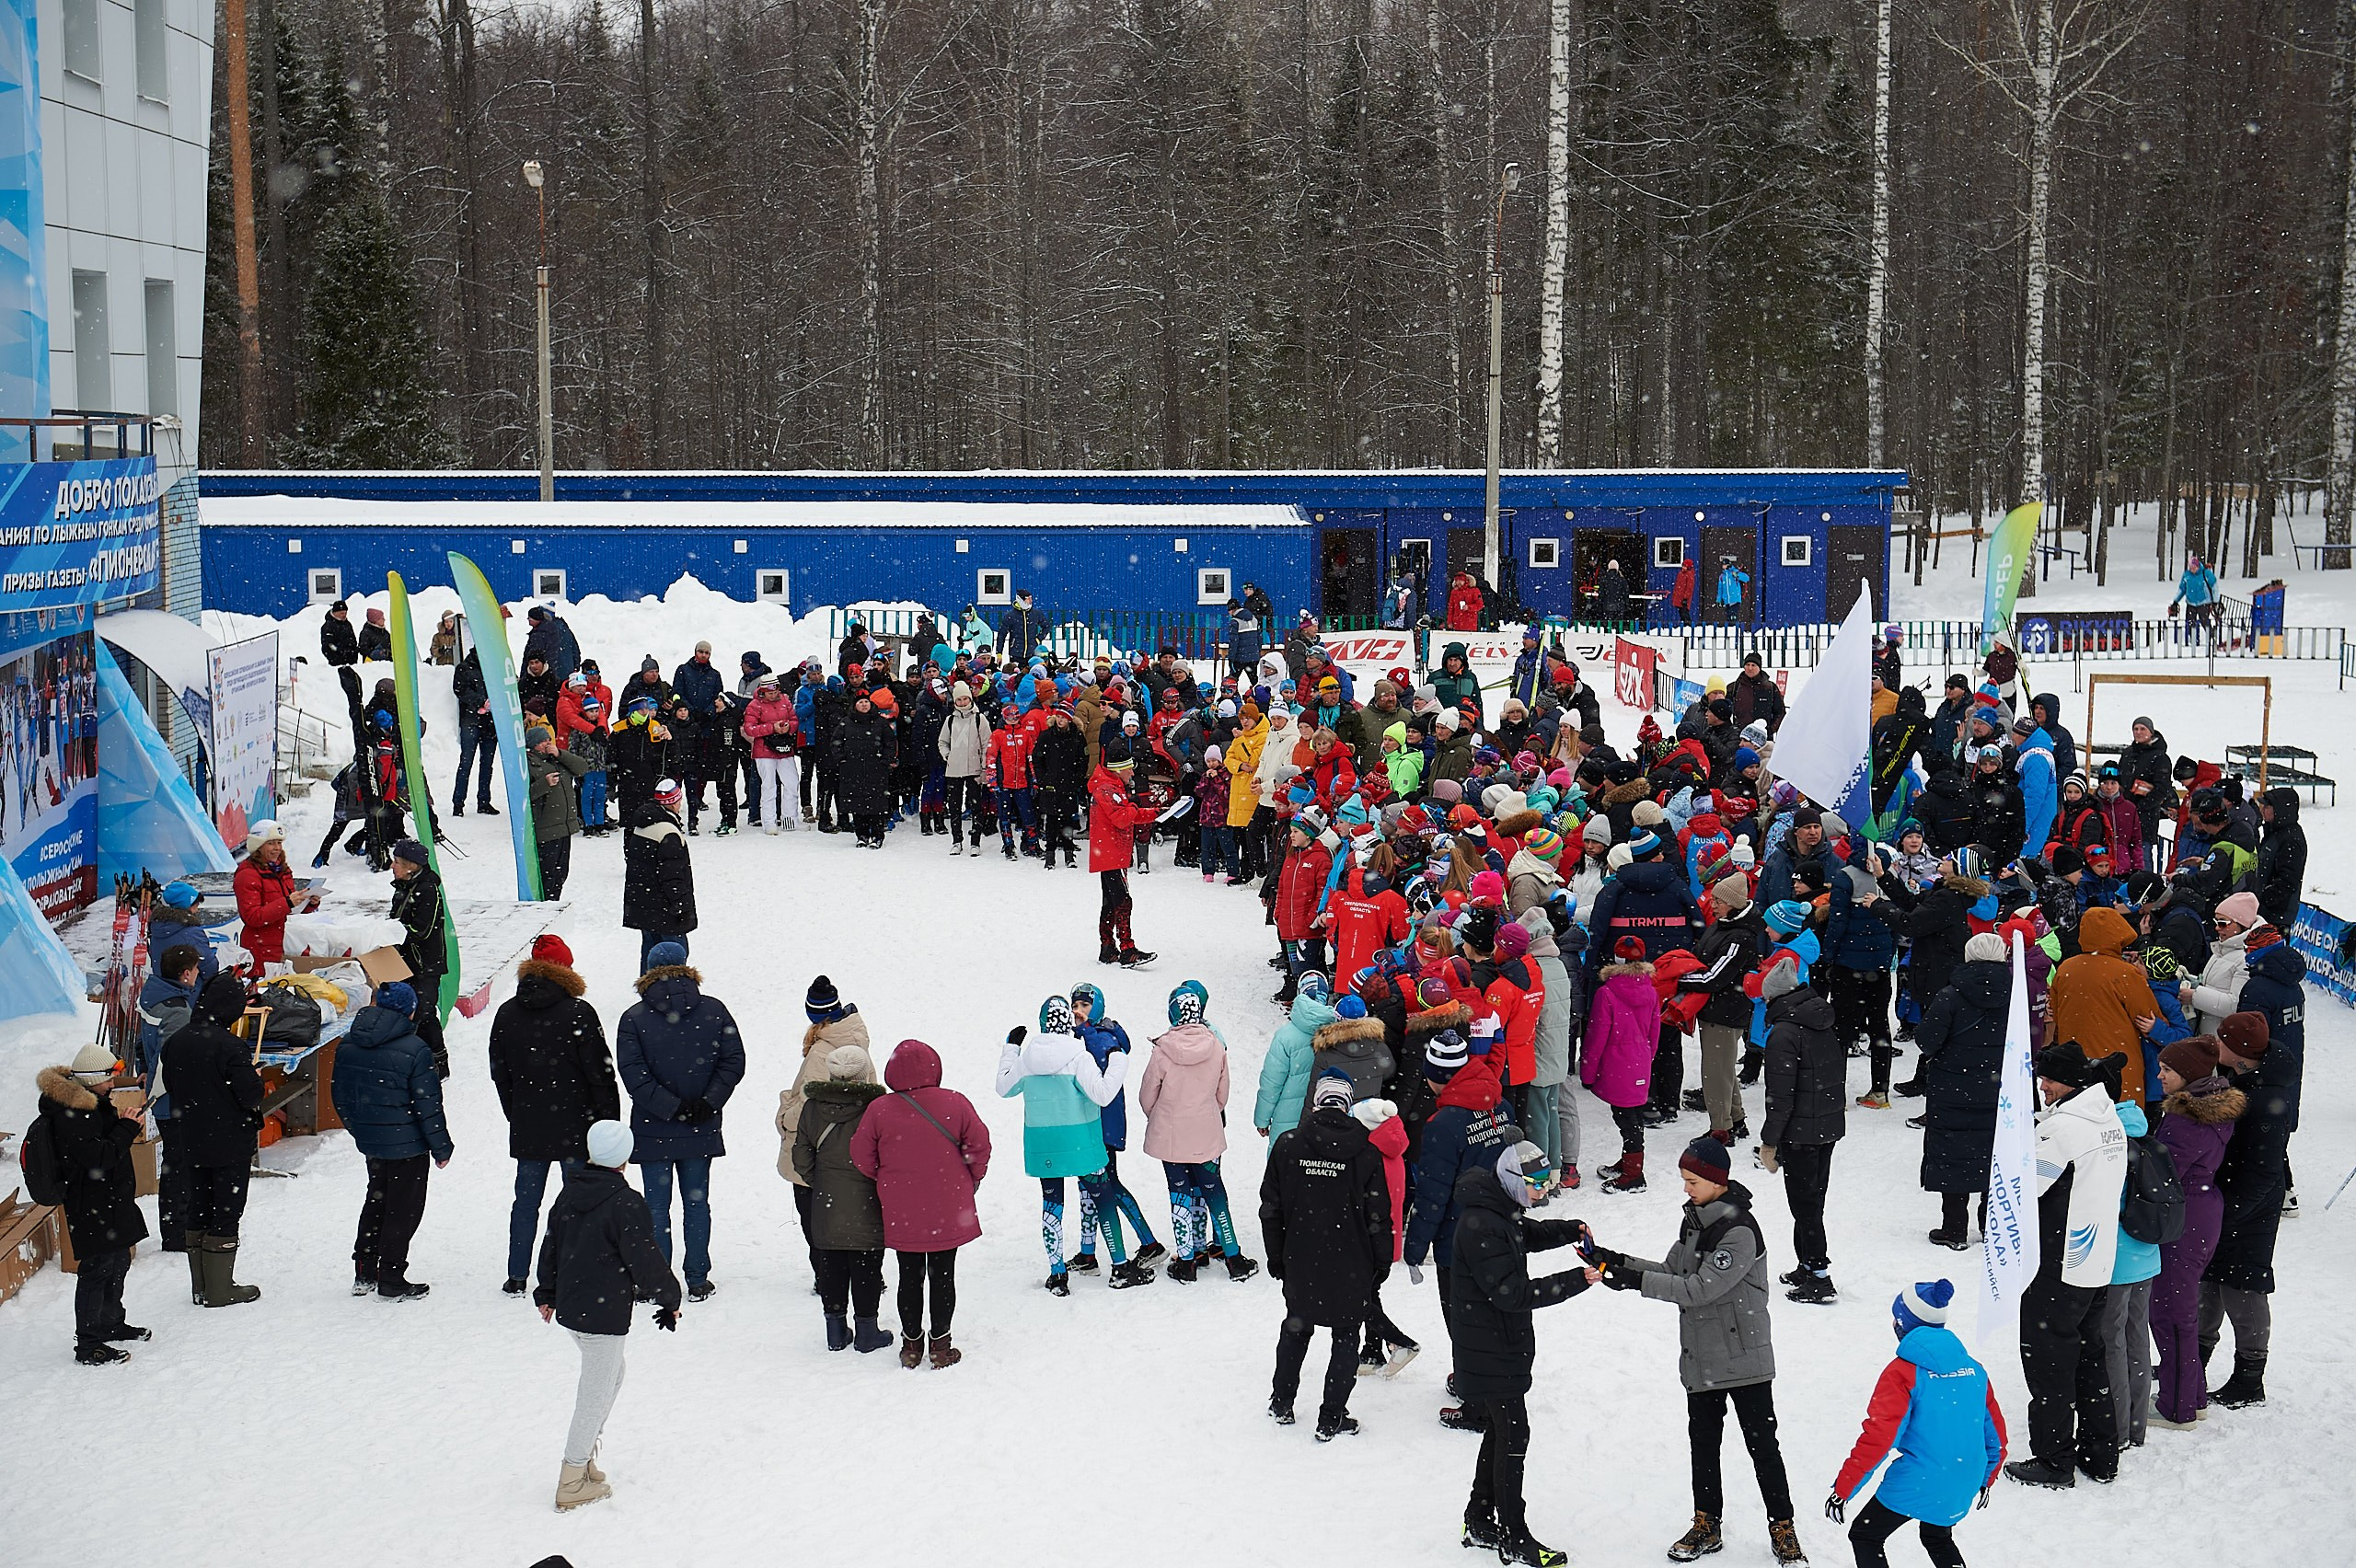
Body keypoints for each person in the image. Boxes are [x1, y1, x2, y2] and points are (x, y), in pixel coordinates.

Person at [1589, 1136, 1806, 1567]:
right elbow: (1670, 1271)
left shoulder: (1739, 1230)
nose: (1686, 1189)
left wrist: (1633, 1282)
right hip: (1702, 1357)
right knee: (1703, 1444)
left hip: (1744, 1358)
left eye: (1692, 1181)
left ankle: (1783, 1527)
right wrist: (1615, 1261)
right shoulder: (1694, 1221)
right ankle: (1707, 1523)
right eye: (1685, 1180)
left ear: (1714, 1181)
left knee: (1762, 1445)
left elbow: (1698, 1289)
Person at [1447, 1141, 1588, 1565]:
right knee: (1513, 1435)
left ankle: (1479, 1518)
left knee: (1499, 1430)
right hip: (1488, 1347)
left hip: (1495, 1343)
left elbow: (1524, 1234)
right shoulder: (1481, 1223)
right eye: (1536, 1184)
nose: (1543, 1192)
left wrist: (1569, 1230)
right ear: (1512, 1181)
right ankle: (1514, 1534)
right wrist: (1577, 1280)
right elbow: (1512, 1294)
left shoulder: (1496, 1210)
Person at [536, 1118, 681, 1511]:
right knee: (595, 1391)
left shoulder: (569, 1193)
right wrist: (670, 1297)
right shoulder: (626, 1201)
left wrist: (546, 1292)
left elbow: (550, 1244)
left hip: (573, 1307)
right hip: (603, 1313)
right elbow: (645, 1260)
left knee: (613, 1375)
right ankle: (572, 1478)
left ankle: (585, 1464)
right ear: (625, 1157)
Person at [2005, 1043, 2127, 1489]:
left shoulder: (2062, 1129)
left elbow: (2024, 1190)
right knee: (2091, 1355)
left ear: (2073, 1082)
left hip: (2057, 1262)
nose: (2043, 1085)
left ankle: (2054, 1460)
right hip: (2096, 1259)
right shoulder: (2107, 1116)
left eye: (2050, 1079)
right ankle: (2101, 1454)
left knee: (2048, 1363)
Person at [1827, 1280, 2006, 1568]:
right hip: (1965, 1477)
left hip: (1921, 1478)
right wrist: (1986, 1478)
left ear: (1902, 1324)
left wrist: (1843, 1489)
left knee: (1865, 1535)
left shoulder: (1902, 1372)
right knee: (1937, 1537)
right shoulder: (1974, 1369)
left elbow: (1879, 1438)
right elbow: (1996, 1437)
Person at [1259, 1071, 1392, 1442]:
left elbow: (1270, 1208)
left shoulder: (1288, 1145)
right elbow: (1379, 1216)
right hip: (1352, 1262)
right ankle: (1331, 1417)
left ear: (1317, 1102)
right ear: (1347, 1105)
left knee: (1297, 1327)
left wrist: (1276, 1256)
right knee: (1346, 1336)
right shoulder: (1365, 1151)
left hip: (1300, 1257)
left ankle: (1282, 1401)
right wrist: (1381, 1263)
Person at [488, 934, 619, 1295]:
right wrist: (607, 1122)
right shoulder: (578, 1012)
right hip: (576, 1126)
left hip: (530, 1124)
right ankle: (573, 1268)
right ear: (564, 969)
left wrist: (515, 1112)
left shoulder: (508, 1013)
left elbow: (500, 1072)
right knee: (578, 1202)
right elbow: (600, 1073)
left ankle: (517, 1274)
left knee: (526, 1202)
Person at [849, 1037, 992, 1368]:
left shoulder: (880, 1109)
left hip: (902, 1206)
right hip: (948, 1204)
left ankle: (911, 1346)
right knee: (944, 1274)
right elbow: (980, 1145)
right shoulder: (955, 1103)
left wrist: (886, 1178)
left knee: (908, 1275)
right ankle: (940, 1346)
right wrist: (972, 1178)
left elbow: (860, 1156)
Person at [616, 940, 745, 1303]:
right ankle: (698, 1277)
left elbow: (633, 1075)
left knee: (656, 1208)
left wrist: (670, 1107)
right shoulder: (714, 1011)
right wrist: (706, 1103)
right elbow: (733, 1062)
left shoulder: (634, 1018)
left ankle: (657, 1278)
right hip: (699, 1129)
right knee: (696, 1204)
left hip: (653, 1127)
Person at [998, 1004, 1152, 1292]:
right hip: (1083, 1144)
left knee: (1052, 1204)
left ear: (1043, 1023)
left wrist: (1011, 1049)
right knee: (1104, 1198)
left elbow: (1004, 1088)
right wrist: (1117, 1059)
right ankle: (1119, 1267)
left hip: (1043, 1146)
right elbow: (1104, 1094)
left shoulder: (1028, 1058)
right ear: (1069, 1024)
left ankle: (1058, 1275)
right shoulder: (1078, 1057)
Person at [2202, 977, 2304, 1409]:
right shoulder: (2241, 1080)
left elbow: (2264, 1172)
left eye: (2222, 1038)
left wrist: (2231, 1214)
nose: (2214, 1042)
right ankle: (2195, 1358)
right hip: (2227, 1203)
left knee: (2243, 1290)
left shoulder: (2264, 1103)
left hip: (2248, 1212)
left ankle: (2249, 1376)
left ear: (2240, 1053)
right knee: (2207, 1284)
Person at [330, 981, 454, 1301]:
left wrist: (360, 1129)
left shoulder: (348, 1045)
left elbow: (340, 1096)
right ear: (409, 1011)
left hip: (372, 1142)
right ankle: (392, 1276)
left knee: (377, 1198)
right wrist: (441, 1147)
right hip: (408, 1145)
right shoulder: (415, 1051)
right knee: (404, 1208)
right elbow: (428, 1105)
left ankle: (365, 1269)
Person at [35, 1043, 151, 1363]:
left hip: (110, 1200)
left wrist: (123, 1121)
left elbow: (101, 1141)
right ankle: (89, 1344)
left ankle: (110, 1323)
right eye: (108, 1077)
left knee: (117, 1262)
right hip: (91, 1204)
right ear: (89, 1079)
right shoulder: (72, 1111)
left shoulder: (92, 1103)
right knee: (96, 1269)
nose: (114, 1083)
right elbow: (99, 1157)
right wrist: (127, 1128)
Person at [1138, 982, 1258, 1282]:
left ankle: (1188, 1261)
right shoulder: (1215, 1046)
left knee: (1179, 1194)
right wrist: (1206, 1114)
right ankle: (1233, 1257)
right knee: (1214, 1192)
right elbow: (1222, 1094)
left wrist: (1162, 1116)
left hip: (1172, 1136)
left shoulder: (1163, 1050)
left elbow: (1146, 1095)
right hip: (1206, 1133)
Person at [2149, 1037, 2241, 1428]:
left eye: (2167, 1069)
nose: (2159, 1074)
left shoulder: (2187, 1119)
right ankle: (2191, 1394)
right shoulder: (2211, 1109)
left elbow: (2161, 1175)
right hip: (2202, 1210)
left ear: (2187, 1074)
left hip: (2183, 1217)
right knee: (2179, 1308)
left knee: (2170, 1310)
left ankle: (2178, 1406)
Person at [161, 973, 265, 1308]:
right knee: (226, 1210)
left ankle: (201, 1286)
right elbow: (249, 1095)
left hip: (190, 1137)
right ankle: (220, 1289)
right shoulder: (229, 1045)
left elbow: (174, 1088)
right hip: (228, 1140)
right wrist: (255, 1078)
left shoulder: (176, 1042)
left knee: (199, 1207)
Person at [792, 1042, 895, 1353]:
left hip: (827, 1202)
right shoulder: (877, 1109)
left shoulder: (812, 1107)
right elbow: (889, 1154)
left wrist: (822, 1182)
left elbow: (801, 1157)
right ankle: (867, 1332)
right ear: (864, 1075)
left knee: (831, 1264)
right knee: (866, 1267)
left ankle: (835, 1332)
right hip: (867, 1201)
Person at [1755, 957, 1844, 1304]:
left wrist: (1769, 1142)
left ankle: (1820, 1277)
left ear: (1774, 999)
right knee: (1811, 1202)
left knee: (1805, 1207)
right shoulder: (1820, 1020)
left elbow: (1780, 1096)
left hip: (1801, 1134)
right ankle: (1806, 1265)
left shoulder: (1783, 1033)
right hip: (1826, 1127)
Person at [778, 977, 876, 1278]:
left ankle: (829, 1279)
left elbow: (810, 1108)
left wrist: (784, 1113)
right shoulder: (856, 1039)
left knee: (816, 1223)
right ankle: (864, 1275)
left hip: (820, 1153)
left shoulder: (822, 1052)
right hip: (853, 1149)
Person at [1917, 933, 2009, 1250]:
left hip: (1953, 1087)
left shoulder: (1950, 995)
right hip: (2000, 1088)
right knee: (1995, 1154)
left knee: (1952, 1152)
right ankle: (1991, 1224)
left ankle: (1954, 1228)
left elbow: (1927, 1040)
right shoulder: (2016, 995)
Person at [138, 945, 204, 1251]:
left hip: (163, 1097)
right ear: (186, 973)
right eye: (195, 970)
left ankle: (175, 1229)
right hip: (172, 1099)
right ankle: (178, 1233)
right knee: (180, 1165)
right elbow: (171, 1060)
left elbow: (144, 1043)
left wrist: (143, 1070)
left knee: (173, 1164)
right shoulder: (178, 1010)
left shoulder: (151, 994)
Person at [1089, 740, 1157, 966]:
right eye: (1129, 768)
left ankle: (1107, 948)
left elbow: (1127, 814)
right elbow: (1121, 818)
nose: (1132, 773)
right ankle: (1127, 949)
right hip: (1111, 854)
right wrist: (1136, 807)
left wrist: (1155, 813)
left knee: (1110, 902)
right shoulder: (1106, 789)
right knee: (1123, 901)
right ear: (1118, 769)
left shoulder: (1112, 787)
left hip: (1110, 853)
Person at [387, 838, 451, 1076]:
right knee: (409, 1012)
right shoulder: (404, 887)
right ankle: (414, 1062)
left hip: (425, 965)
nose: (392, 866)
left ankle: (438, 1064)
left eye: (397, 862)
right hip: (405, 962)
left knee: (424, 1013)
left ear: (411, 866)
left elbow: (422, 930)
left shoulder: (427, 890)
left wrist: (394, 931)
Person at [621, 780, 699, 969]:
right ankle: (674, 993)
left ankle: (648, 992)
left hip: (644, 906)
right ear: (673, 802)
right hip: (665, 910)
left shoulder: (642, 824)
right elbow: (673, 876)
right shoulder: (668, 833)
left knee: (650, 953)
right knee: (675, 955)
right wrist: (682, 906)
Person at [234, 820, 317, 967]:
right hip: (259, 947)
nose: (277, 848)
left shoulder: (282, 869)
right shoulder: (247, 875)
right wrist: (288, 902)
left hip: (280, 942)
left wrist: (309, 902)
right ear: (258, 846)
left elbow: (290, 906)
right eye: (271, 843)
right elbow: (252, 917)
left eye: (279, 843)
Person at [525, 721, 589, 898]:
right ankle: (546, 907)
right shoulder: (528, 765)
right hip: (546, 830)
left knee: (561, 875)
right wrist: (544, 784)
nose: (548, 743)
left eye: (548, 739)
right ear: (534, 745)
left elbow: (582, 767)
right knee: (548, 875)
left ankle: (554, 905)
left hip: (564, 827)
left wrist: (561, 754)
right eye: (543, 741)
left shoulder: (557, 759)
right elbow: (523, 796)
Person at [832, 686, 900, 847]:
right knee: (857, 804)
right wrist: (841, 760)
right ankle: (861, 835)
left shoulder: (880, 722)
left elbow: (890, 743)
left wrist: (885, 760)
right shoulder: (845, 722)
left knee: (876, 804)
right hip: (852, 770)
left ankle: (877, 835)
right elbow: (836, 742)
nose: (864, 705)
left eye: (866, 702)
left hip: (876, 769)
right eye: (860, 702)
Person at [936, 679, 991, 853]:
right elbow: (942, 742)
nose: (962, 703)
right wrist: (948, 756)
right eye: (959, 700)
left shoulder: (979, 719)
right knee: (954, 806)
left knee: (976, 807)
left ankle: (975, 842)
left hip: (974, 769)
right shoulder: (950, 720)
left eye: (965, 699)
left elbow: (986, 745)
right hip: (954, 770)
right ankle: (956, 840)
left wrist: (983, 769)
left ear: (970, 699)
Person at [450, 649, 501, 817]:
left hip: (490, 722)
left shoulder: (495, 667)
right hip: (471, 720)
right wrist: (480, 702)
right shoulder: (464, 668)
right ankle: (458, 803)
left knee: (487, 764)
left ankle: (484, 801)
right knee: (466, 763)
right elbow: (459, 690)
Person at [2253, 788, 2306, 931]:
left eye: (2267, 806)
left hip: (2275, 917)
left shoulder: (2290, 839)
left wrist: (2262, 900)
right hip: (2264, 913)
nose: (2262, 809)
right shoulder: (2274, 832)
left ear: (2280, 809)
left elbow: (2288, 882)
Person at [146, 881, 219, 985]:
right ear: (186, 905)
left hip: (164, 990)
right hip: (190, 992)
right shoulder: (191, 932)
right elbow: (209, 968)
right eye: (196, 905)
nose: (197, 911)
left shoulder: (157, 929)